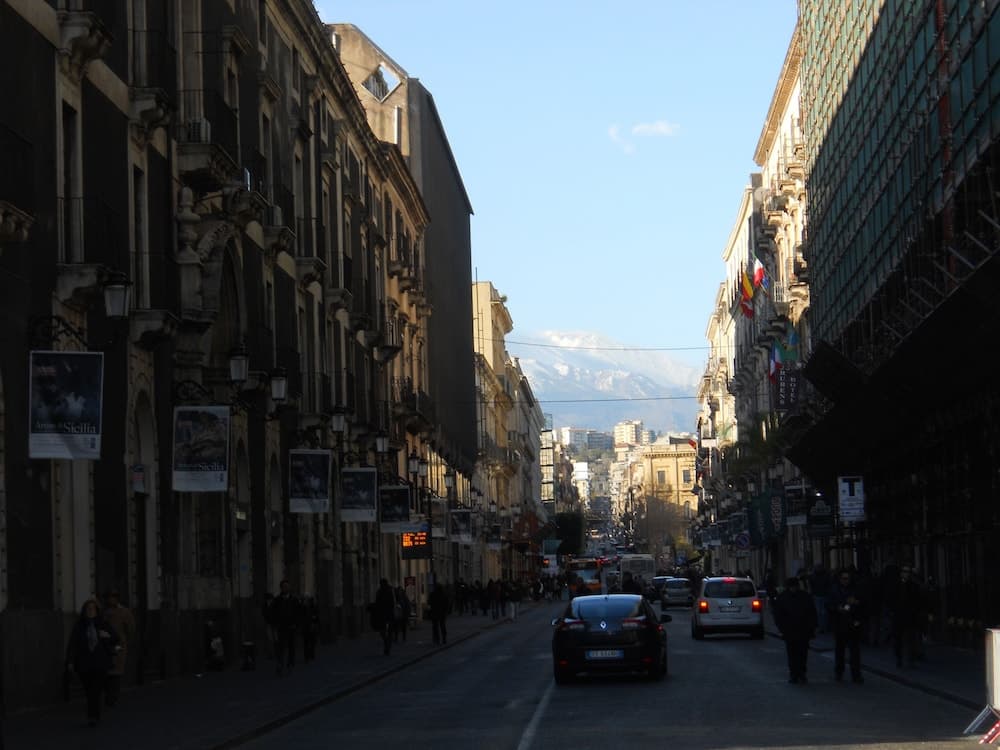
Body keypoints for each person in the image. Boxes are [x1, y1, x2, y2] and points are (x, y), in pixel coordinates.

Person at [65, 599, 119, 727]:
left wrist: (107, 636)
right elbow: (73, 644)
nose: (90, 611)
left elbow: (116, 638)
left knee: (96, 689)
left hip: (100, 662)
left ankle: (93, 716)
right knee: (89, 690)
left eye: (93, 609)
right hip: (84, 662)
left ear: (97, 611)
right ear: (84, 611)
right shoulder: (79, 626)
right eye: (88, 609)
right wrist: (70, 661)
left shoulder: (103, 624)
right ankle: (93, 714)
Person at [774, 576, 818, 684]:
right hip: (791, 630)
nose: (793, 588)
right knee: (793, 653)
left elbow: (811, 613)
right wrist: (782, 628)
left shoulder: (803, 597)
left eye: (794, 586)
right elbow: (778, 615)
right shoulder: (784, 598)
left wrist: (812, 627)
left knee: (802, 653)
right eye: (792, 587)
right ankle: (794, 673)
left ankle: (801, 673)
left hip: (802, 629)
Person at [827, 568, 866, 684]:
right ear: (840, 579)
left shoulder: (855, 589)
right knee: (840, 650)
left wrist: (856, 603)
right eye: (844, 578)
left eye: (848, 578)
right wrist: (836, 608)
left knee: (855, 651)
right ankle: (839, 672)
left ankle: (856, 674)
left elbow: (863, 604)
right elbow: (828, 604)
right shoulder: (834, 590)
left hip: (852, 624)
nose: (846, 580)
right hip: (839, 623)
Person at [102, 589, 135, 707]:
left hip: (119, 645)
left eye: (113, 597)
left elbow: (131, 629)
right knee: (106, 671)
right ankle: (109, 694)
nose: (111, 599)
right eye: (109, 597)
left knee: (116, 672)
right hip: (105, 645)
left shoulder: (124, 612)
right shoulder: (103, 611)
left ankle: (112, 697)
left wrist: (124, 642)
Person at [890, 565, 925, 668]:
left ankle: (910, 660)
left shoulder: (913, 586)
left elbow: (918, 601)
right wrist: (893, 611)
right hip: (898, 616)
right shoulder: (896, 585)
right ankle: (899, 658)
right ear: (901, 573)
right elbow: (891, 599)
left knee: (910, 638)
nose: (907, 574)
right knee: (898, 639)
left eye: (908, 572)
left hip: (910, 616)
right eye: (905, 571)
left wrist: (915, 612)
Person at [267, 579, 301, 674]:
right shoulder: (277, 600)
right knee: (280, 647)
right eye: (284, 586)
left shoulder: (294, 600)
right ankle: (280, 664)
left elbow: (298, 613)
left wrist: (296, 624)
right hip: (281, 627)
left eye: (287, 586)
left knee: (291, 647)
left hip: (291, 627)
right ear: (281, 588)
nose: (285, 588)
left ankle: (290, 664)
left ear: (289, 588)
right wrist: (274, 623)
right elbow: (272, 613)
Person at [372, 578, 396, 655]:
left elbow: (392, 602)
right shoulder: (381, 591)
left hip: (385, 613)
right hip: (386, 614)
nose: (381, 585)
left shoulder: (387, 591)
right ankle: (387, 644)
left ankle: (387, 645)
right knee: (386, 631)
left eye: (381, 583)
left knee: (385, 631)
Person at [300, 594, 320, 662]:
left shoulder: (313, 607)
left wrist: (314, 621)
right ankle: (307, 656)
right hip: (306, 627)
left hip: (311, 627)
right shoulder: (303, 608)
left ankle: (310, 654)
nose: (306, 602)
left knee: (311, 642)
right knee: (307, 642)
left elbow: (316, 617)